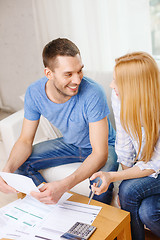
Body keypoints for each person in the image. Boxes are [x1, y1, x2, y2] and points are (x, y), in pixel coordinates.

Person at [1, 38, 118, 204]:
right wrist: (6, 172)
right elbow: (25, 140)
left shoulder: (93, 92)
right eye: (68, 74)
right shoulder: (34, 93)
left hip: (104, 146)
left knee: (99, 183)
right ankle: (50, 204)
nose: (77, 80)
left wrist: (63, 185)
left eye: (79, 71)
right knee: (20, 164)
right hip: (70, 144)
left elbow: (100, 153)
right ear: (49, 74)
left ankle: (97, 221)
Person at [90, 52, 160, 239]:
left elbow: (156, 164)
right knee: (148, 210)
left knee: (129, 191)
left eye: (116, 81)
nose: (111, 85)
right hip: (153, 168)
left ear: (135, 86)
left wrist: (115, 179)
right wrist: (124, 181)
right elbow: (124, 145)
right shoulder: (118, 96)